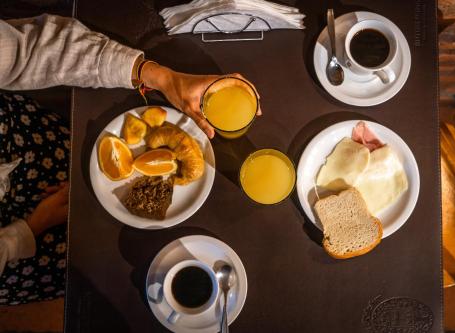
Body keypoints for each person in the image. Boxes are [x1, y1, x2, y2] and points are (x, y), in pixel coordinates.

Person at [0, 14, 260, 305]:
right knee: (86, 271)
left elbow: (31, 50)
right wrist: (27, 229)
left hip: (24, 133)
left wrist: (163, 78)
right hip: (17, 242)